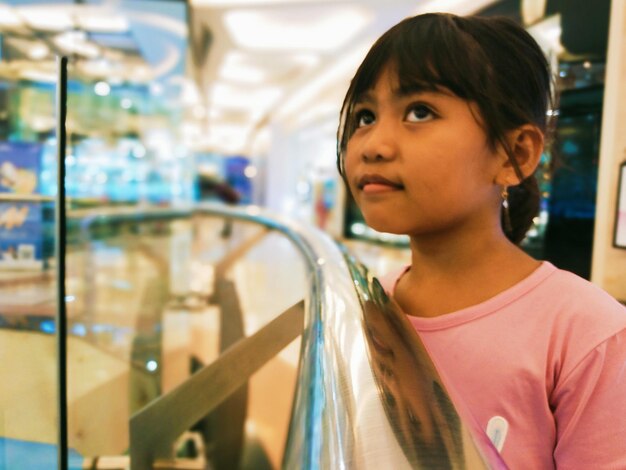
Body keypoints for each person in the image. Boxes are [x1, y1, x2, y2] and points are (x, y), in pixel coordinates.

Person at [337, 12, 626, 469]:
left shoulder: (586, 333)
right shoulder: (369, 310)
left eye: (419, 112)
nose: (373, 144)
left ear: (517, 155)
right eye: (365, 116)